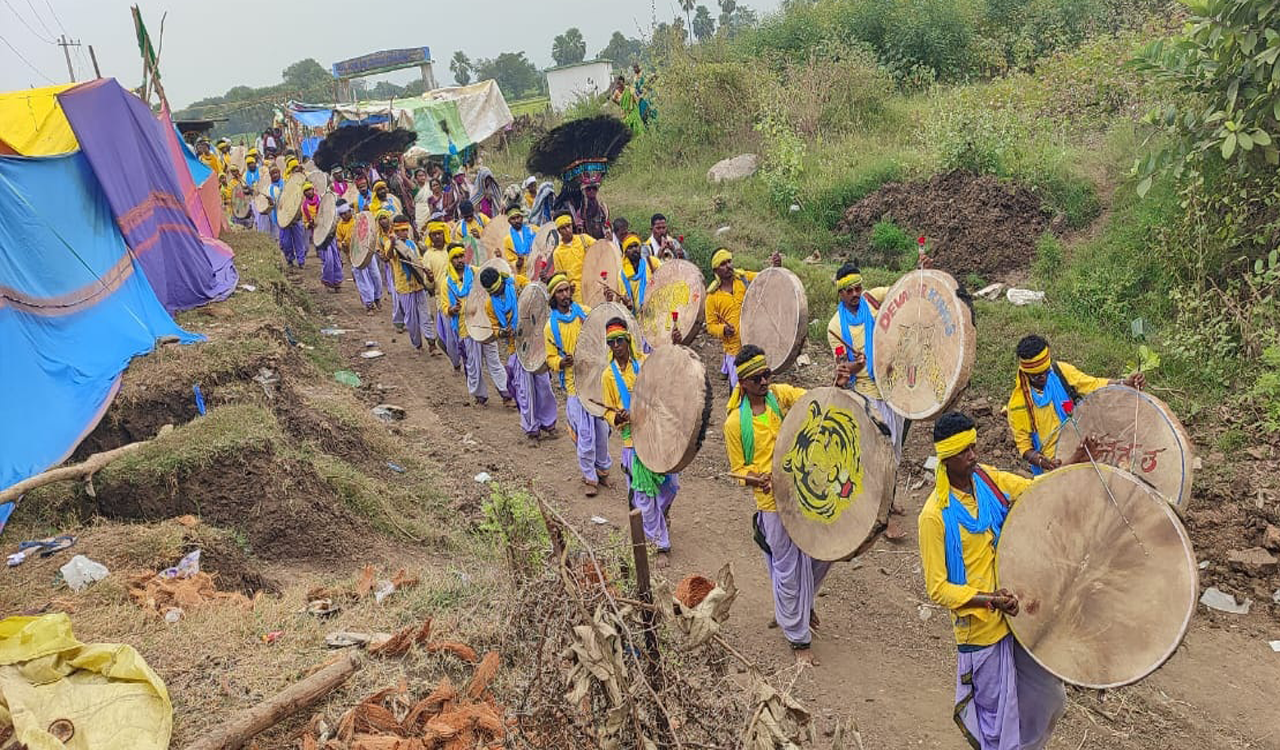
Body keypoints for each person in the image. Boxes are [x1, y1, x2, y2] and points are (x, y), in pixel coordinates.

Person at [918, 412, 1072, 749]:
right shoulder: (933, 517)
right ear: (946, 458)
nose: (973, 456)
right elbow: (938, 588)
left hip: (1017, 617)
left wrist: (1072, 468)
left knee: (1049, 698)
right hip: (983, 630)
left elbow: (1031, 489)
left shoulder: (986, 480)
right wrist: (989, 599)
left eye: (973, 448)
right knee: (997, 724)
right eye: (964, 452)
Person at [722, 345, 824, 663]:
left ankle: (794, 605)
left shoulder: (779, 397)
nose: (765, 381)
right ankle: (798, 639)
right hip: (770, 503)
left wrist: (837, 385)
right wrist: (757, 479)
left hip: (803, 492)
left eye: (767, 374)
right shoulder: (734, 425)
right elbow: (738, 470)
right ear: (743, 384)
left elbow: (812, 401)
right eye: (757, 378)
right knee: (789, 567)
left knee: (824, 552)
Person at [1006, 334, 1145, 475]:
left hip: (1082, 448)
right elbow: (1024, 447)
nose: (1043, 377)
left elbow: (1092, 384)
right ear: (1026, 373)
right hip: (1055, 466)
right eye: (1037, 376)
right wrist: (1043, 462)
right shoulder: (1018, 405)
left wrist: (1123, 383)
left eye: (1046, 372)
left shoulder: (1060, 372)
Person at [600, 319, 679, 566]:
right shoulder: (607, 376)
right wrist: (617, 417)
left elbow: (666, 376)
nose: (616, 346)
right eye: (611, 343)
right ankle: (660, 545)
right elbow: (607, 412)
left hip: (655, 436)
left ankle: (659, 513)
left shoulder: (645, 363)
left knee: (671, 486)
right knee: (644, 497)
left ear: (628, 340)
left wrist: (674, 342)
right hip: (631, 442)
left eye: (620, 341)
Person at [827, 261, 906, 457]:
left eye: (858, 288)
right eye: (849, 290)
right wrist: (856, 365)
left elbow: (904, 290)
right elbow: (843, 367)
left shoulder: (873, 299)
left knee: (895, 451)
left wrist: (920, 269)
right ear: (841, 293)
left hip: (891, 385)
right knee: (876, 452)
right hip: (866, 394)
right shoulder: (835, 327)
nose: (855, 294)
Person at [544, 274, 612, 495]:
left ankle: (602, 470)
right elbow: (550, 357)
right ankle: (589, 476)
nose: (565, 295)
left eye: (566, 290)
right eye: (560, 292)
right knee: (585, 432)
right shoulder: (550, 327)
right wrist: (561, 362)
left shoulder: (584, 312)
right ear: (554, 297)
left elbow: (601, 330)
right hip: (574, 384)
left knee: (601, 429)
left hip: (594, 379)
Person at [481, 267, 556, 440]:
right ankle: (532, 429)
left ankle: (548, 423)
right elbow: (494, 328)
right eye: (494, 291)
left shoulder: (519, 283)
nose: (498, 292)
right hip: (515, 348)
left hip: (535, 342)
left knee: (544, 385)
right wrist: (502, 332)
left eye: (499, 288)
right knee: (524, 390)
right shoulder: (489, 305)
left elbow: (537, 299)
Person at [705, 248, 782, 387]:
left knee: (760, 386)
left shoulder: (743, 278)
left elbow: (766, 279)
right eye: (723, 264)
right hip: (734, 352)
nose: (728, 266)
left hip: (755, 346)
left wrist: (776, 267)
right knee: (739, 391)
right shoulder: (712, 297)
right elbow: (710, 325)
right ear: (716, 270)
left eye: (729, 261)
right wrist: (723, 329)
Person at [378, 215, 433, 352]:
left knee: (425, 314)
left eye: (405, 230)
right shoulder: (389, 243)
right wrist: (392, 244)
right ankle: (417, 344)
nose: (403, 233)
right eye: (400, 230)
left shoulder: (411, 244)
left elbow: (418, 260)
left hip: (418, 285)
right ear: (395, 231)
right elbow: (389, 257)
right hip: (404, 286)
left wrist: (425, 270)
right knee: (411, 319)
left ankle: (431, 343)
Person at [335, 200, 381, 313]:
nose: (345, 215)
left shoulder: (358, 219)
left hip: (368, 251)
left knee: (375, 275)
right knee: (362, 279)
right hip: (354, 256)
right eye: (342, 214)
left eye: (346, 212)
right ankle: (369, 303)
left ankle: (377, 297)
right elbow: (338, 241)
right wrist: (342, 245)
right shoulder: (340, 226)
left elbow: (369, 230)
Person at [419, 221, 451, 360]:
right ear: (430, 237)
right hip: (441, 298)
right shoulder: (428, 256)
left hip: (459, 296)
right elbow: (429, 286)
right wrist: (430, 279)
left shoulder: (452, 250)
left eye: (440, 234)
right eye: (434, 235)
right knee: (447, 334)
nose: (437, 237)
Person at [303, 184, 342, 292]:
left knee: (336, 258)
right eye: (306, 191)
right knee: (328, 259)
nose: (309, 192)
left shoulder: (323, 199)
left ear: (313, 189)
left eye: (310, 189)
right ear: (304, 194)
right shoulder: (305, 206)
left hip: (331, 232)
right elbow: (305, 222)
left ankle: (337, 281)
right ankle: (328, 281)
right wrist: (310, 224)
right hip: (319, 236)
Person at [551, 213, 596, 302]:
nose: (567, 230)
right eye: (563, 228)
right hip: (576, 293)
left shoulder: (584, 239)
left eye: (568, 226)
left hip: (593, 285)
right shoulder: (557, 253)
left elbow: (600, 250)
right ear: (559, 231)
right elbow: (561, 276)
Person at [617, 234, 660, 314]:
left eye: (636, 246)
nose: (634, 249)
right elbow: (625, 296)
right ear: (625, 252)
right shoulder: (622, 274)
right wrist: (627, 303)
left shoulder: (652, 262)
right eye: (630, 247)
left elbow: (666, 276)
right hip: (636, 317)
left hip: (656, 312)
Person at [501, 207, 539, 279]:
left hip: (536, 268)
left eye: (518, 217)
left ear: (522, 217)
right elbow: (510, 262)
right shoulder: (507, 240)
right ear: (509, 221)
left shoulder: (533, 230)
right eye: (513, 218)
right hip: (522, 275)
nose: (516, 220)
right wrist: (518, 262)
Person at [579, 175, 609, 239]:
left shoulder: (603, 207)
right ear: (585, 191)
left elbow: (607, 224)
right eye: (588, 189)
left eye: (594, 188)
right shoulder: (581, 207)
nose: (591, 191)